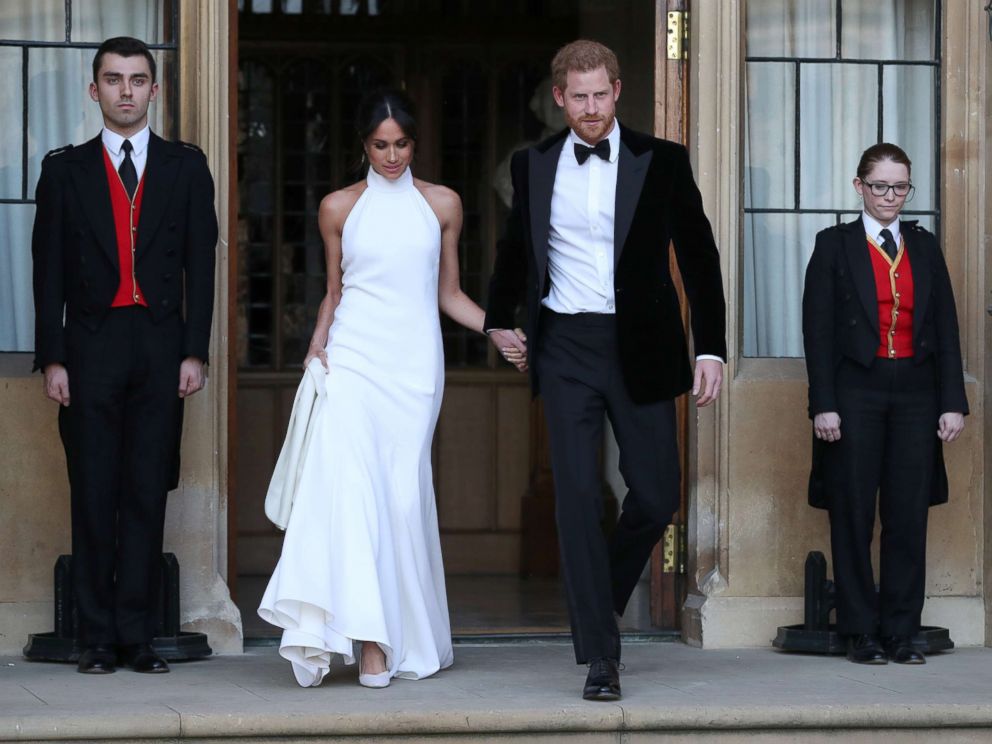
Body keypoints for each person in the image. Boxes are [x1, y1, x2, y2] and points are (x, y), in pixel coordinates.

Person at [484, 40, 726, 701]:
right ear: (559, 99)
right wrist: (498, 318)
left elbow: (700, 257)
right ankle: (602, 655)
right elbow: (514, 251)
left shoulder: (663, 161)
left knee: (655, 496)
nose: (590, 108)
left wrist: (711, 347)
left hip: (642, 344)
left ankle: (599, 596)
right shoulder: (532, 165)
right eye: (578, 97)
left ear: (618, 91)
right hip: (564, 345)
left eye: (601, 94)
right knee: (580, 500)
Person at [257, 89, 524, 689]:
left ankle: (400, 633)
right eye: (380, 144)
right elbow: (335, 290)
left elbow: (448, 293)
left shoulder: (443, 204)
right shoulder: (338, 208)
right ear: (363, 145)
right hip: (353, 359)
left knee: (401, 499)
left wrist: (498, 329)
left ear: (415, 143)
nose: (392, 155)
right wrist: (317, 345)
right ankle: (370, 642)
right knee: (351, 491)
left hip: (414, 368)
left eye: (401, 143)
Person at [31, 36, 218, 674]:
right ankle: (94, 638)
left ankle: (137, 637)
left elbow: (202, 265)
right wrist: (52, 358)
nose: (127, 91)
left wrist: (196, 352)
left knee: (145, 489)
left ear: (154, 90)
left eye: (138, 80)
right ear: (95, 91)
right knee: (92, 489)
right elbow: (46, 272)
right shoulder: (64, 170)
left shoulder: (187, 168)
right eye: (114, 80)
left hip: (162, 347)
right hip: (89, 347)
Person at [802, 143, 967, 665]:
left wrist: (952, 401)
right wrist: (823, 403)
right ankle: (859, 631)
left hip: (917, 393)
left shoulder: (924, 245)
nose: (890, 196)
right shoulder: (834, 245)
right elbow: (818, 331)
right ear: (859, 187)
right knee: (852, 512)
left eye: (900, 187)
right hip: (856, 392)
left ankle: (900, 630)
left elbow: (945, 325)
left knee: (907, 513)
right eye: (880, 186)